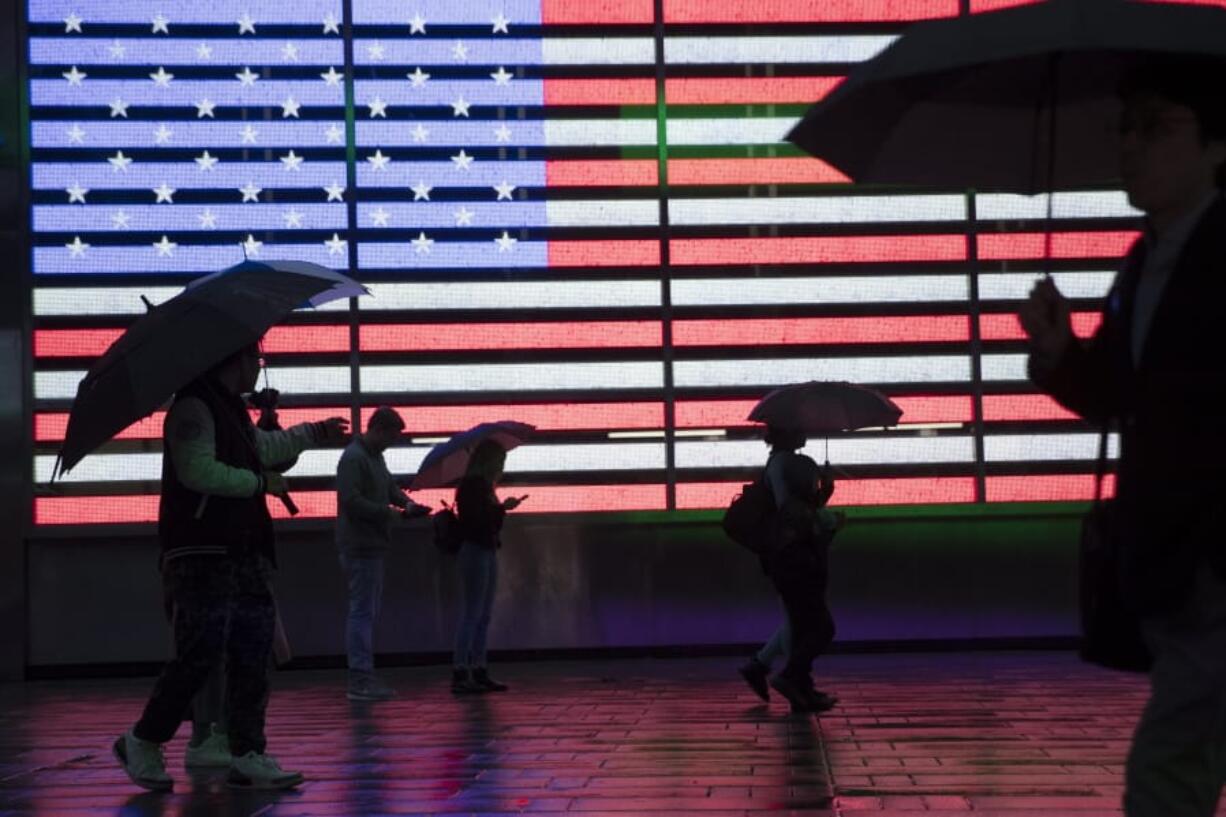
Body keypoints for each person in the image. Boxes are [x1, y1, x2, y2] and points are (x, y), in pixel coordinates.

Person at [1019, 55, 1226, 817]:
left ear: (1217, 147)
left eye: (1158, 127)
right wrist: (1060, 348)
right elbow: (1121, 392)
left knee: (1169, 764)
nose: (1132, 146)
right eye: (1125, 128)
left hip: (1211, 556)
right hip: (1172, 553)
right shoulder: (1145, 261)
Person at [112, 342, 348, 792]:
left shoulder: (231, 411)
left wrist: (313, 432)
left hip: (244, 550)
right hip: (201, 553)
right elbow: (197, 471)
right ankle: (143, 739)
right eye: (254, 360)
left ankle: (248, 751)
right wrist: (260, 483)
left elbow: (266, 446)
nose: (258, 369)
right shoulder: (193, 409)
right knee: (199, 655)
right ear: (232, 360)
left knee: (252, 653)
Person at [738, 426, 841, 713]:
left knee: (799, 622)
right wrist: (823, 516)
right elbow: (790, 510)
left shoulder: (785, 463)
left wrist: (823, 496)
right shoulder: (786, 464)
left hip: (791, 554)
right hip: (795, 554)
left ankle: (789, 680)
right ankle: (791, 679)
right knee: (814, 625)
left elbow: (794, 509)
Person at [335, 406, 430, 701]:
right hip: (361, 545)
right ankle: (360, 678)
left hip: (369, 544)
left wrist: (406, 504)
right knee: (362, 612)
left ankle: (362, 675)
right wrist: (393, 513)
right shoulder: (355, 458)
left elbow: (389, 488)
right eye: (391, 436)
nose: (392, 442)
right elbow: (352, 502)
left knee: (365, 611)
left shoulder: (371, 456)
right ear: (378, 429)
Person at [450, 440, 525, 694]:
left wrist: (499, 509)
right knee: (475, 613)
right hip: (477, 549)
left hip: (481, 549)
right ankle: (464, 670)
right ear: (490, 462)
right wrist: (501, 509)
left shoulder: (479, 487)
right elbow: (478, 522)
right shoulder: (476, 487)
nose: (501, 466)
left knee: (479, 614)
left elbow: (481, 521)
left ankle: (473, 669)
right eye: (500, 461)